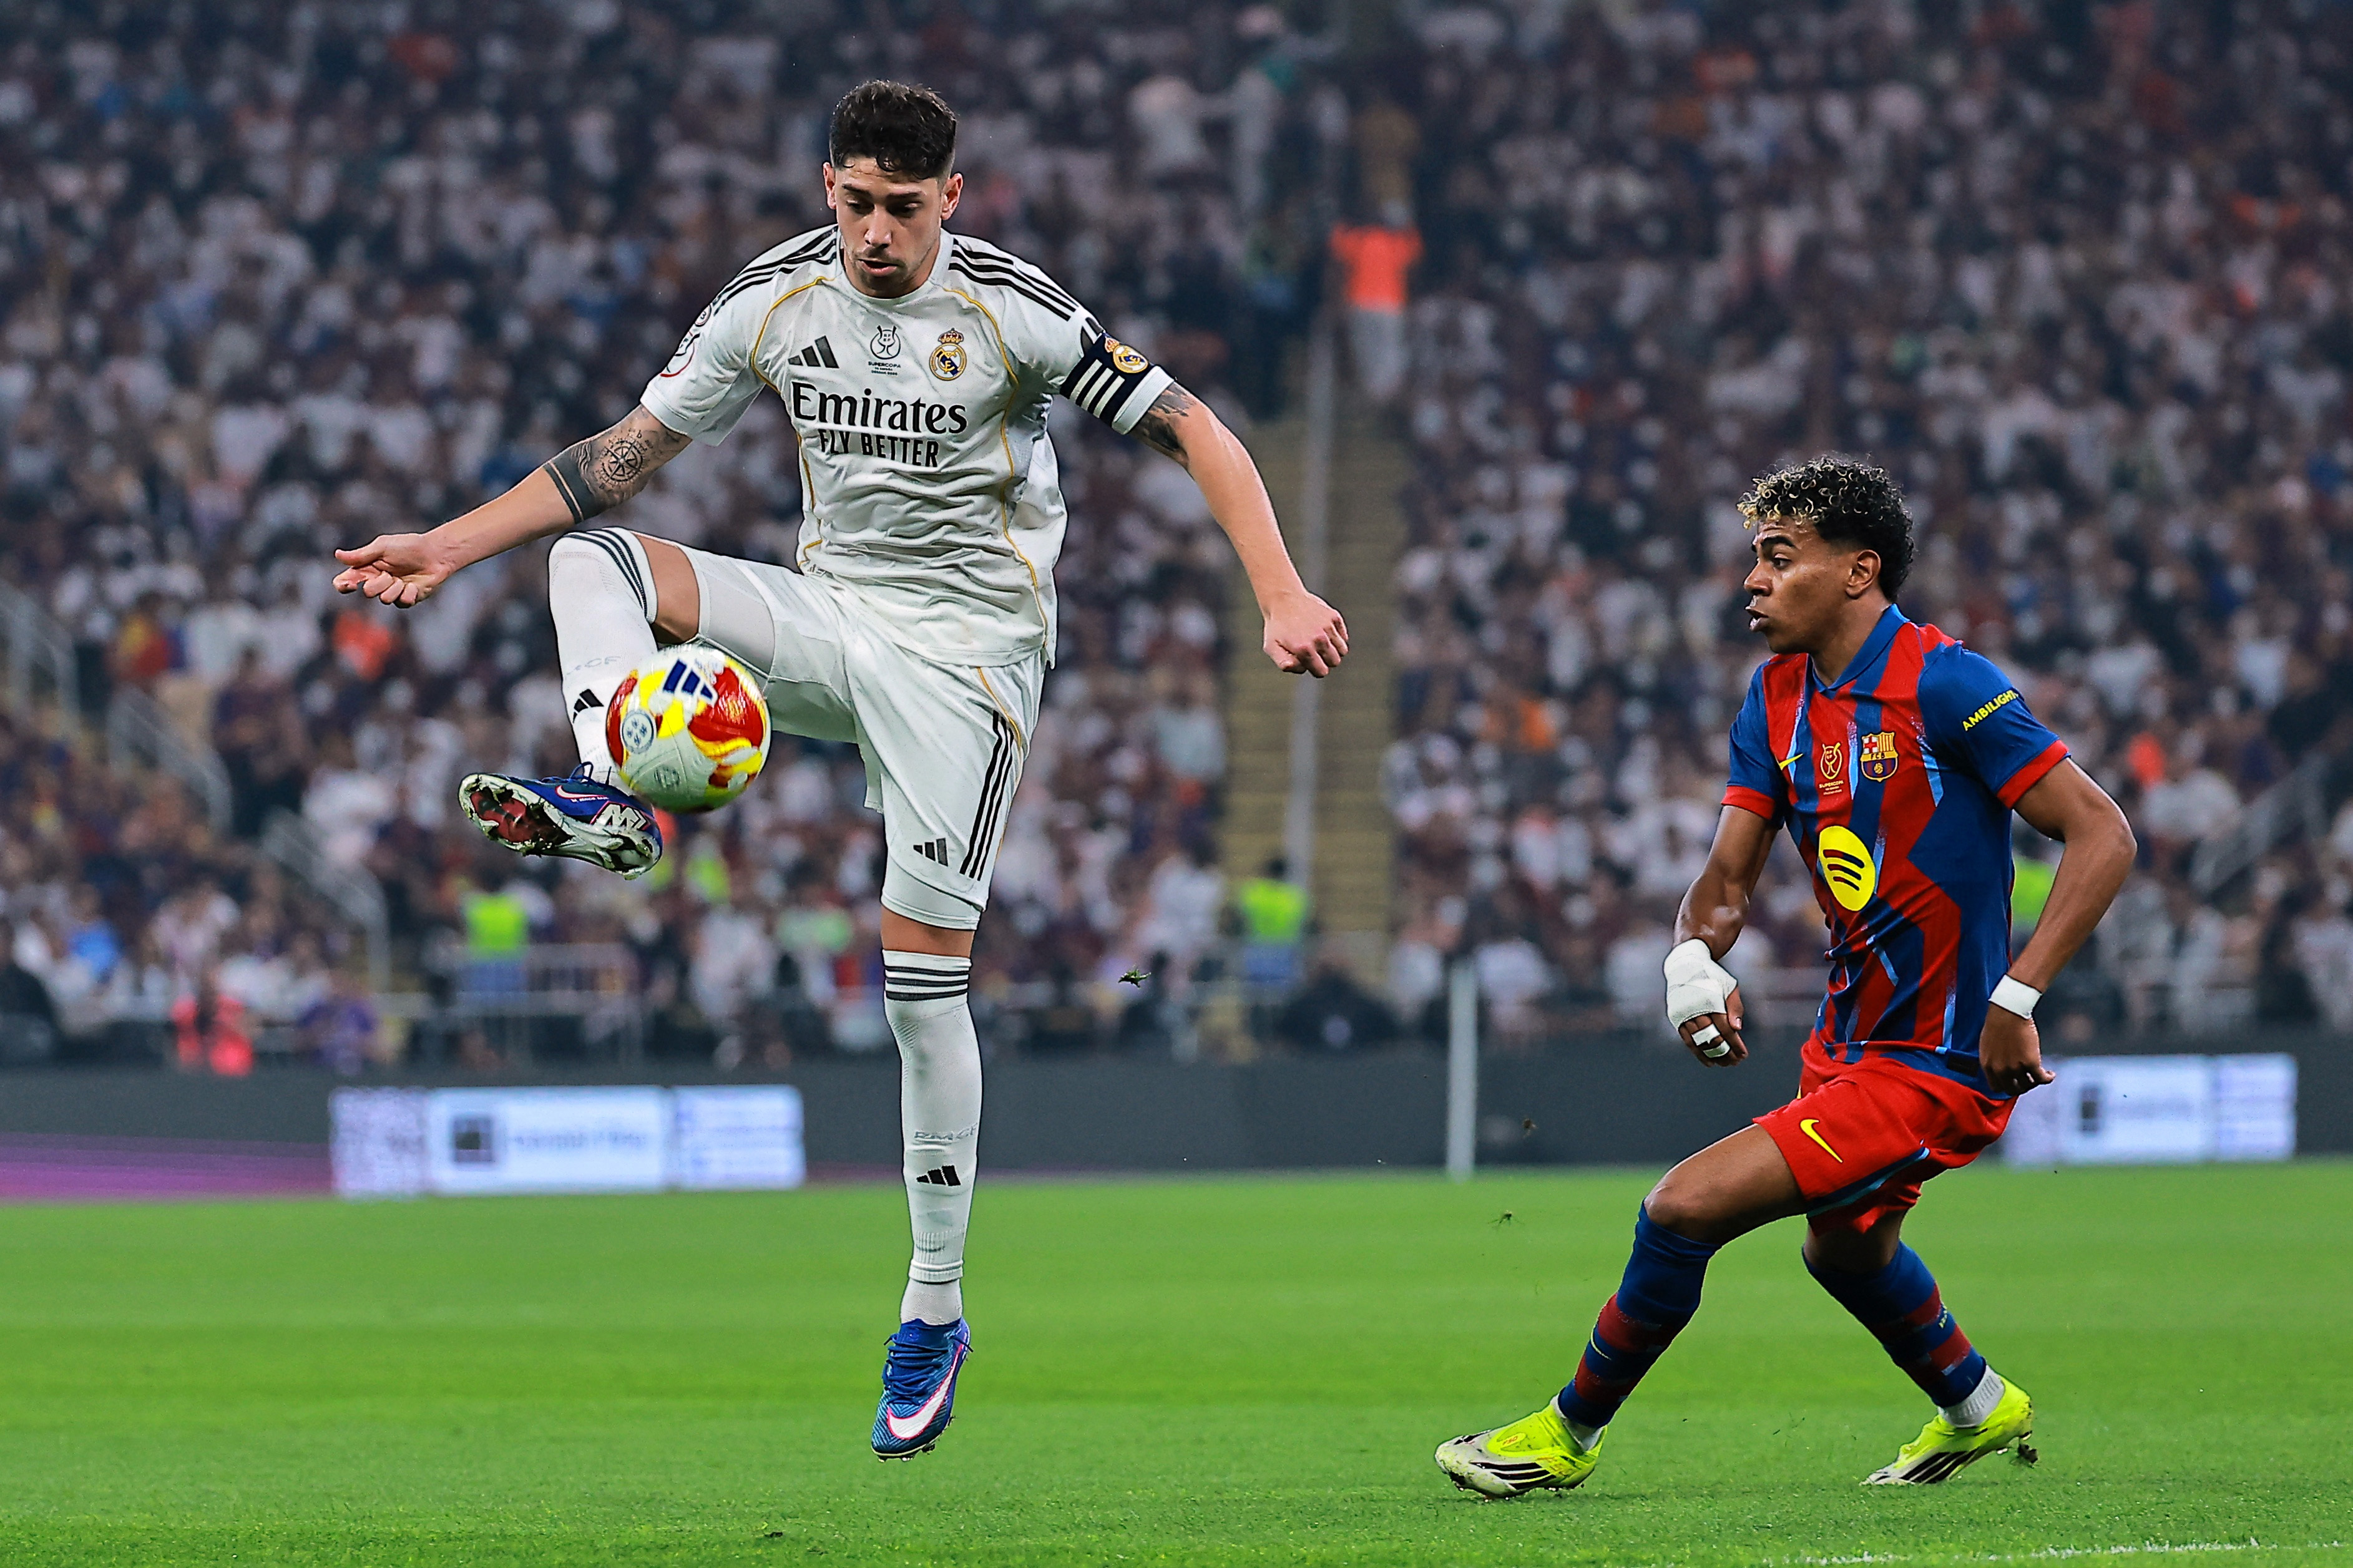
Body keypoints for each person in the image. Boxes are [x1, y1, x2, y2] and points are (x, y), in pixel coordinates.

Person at [329, 80, 1347, 1461]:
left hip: (966, 670)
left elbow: (1198, 431)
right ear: (828, 187)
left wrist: (1279, 592)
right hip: (830, 619)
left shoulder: (1011, 312)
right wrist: (445, 547)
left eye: (905, 209)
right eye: (858, 203)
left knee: (919, 987)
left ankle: (935, 1303)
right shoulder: (774, 302)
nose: (877, 234)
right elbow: (618, 460)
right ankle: (607, 795)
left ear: (953, 200)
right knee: (596, 561)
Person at [1435, 457, 2136, 1496]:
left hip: (1936, 1056)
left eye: (1777, 558)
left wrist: (2015, 995)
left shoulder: (1945, 683)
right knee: (1844, 1249)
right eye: (1752, 559)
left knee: (1682, 1207)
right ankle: (1981, 1406)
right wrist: (1689, 963)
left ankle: (1564, 1436)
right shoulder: (1774, 701)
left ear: (1857, 572)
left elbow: (2100, 833)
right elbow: (1725, 878)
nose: (1751, 582)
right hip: (1847, 1044)